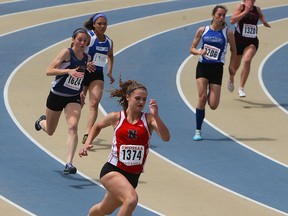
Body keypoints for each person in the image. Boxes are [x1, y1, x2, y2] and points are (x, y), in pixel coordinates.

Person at [79, 79, 170, 216]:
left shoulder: (149, 119)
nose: (141, 102)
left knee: (104, 209)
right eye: (137, 98)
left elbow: (166, 137)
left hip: (132, 176)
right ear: (127, 97)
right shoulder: (116, 117)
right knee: (131, 200)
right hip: (113, 170)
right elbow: (97, 126)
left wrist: (156, 116)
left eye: (144, 99)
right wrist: (87, 142)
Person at [35, 28, 91, 174]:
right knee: (50, 131)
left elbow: (81, 76)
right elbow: (49, 70)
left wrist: (82, 92)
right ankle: (41, 122)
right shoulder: (66, 53)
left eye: (85, 40)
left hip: (73, 97)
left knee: (73, 126)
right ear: (73, 39)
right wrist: (67, 71)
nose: (82, 43)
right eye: (80, 39)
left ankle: (69, 163)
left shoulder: (87, 58)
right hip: (56, 95)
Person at [189, 5, 236, 141]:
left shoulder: (228, 33)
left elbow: (234, 50)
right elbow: (191, 48)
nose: (221, 18)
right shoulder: (203, 30)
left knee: (213, 105)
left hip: (217, 69)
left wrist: (232, 67)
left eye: (223, 15)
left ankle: (211, 90)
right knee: (202, 97)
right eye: (219, 15)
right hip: (203, 67)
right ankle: (198, 131)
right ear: (213, 15)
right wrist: (198, 51)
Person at [81, 13, 115, 144]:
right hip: (83, 73)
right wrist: (85, 62)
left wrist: (110, 71)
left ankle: (87, 132)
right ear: (94, 25)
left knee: (94, 103)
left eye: (105, 24)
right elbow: (76, 50)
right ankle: (72, 125)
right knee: (80, 103)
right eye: (99, 23)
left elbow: (110, 56)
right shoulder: (88, 37)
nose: (102, 26)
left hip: (97, 74)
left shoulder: (109, 42)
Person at [228, 0, 271, 97]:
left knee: (247, 60)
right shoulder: (241, 7)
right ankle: (231, 78)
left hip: (252, 41)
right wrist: (245, 12)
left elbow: (260, 15)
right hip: (238, 41)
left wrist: (264, 22)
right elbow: (232, 20)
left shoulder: (257, 9)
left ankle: (241, 88)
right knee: (235, 67)